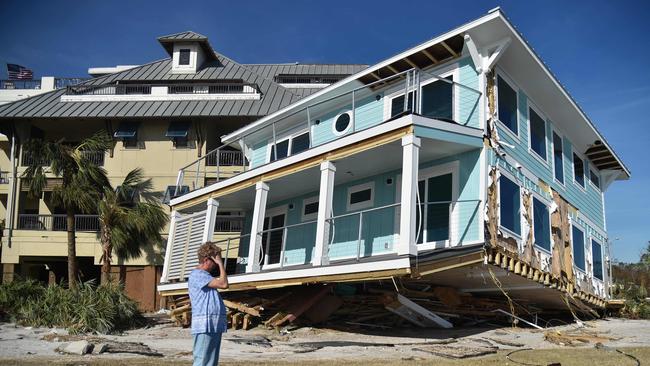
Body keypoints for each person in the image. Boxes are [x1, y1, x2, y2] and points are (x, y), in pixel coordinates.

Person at [189, 242, 229, 365]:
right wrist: (221, 264)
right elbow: (224, 284)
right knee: (202, 361)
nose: (215, 265)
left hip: (212, 324)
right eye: (214, 261)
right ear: (206, 260)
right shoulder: (197, 274)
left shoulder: (206, 276)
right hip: (205, 324)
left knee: (211, 362)